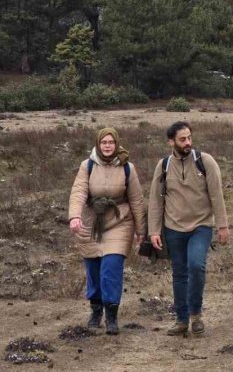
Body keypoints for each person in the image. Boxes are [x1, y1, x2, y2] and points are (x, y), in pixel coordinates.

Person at [148, 121, 230, 338]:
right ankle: (181, 320)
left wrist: (222, 225)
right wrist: (154, 231)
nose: (187, 143)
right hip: (173, 228)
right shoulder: (163, 165)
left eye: (189, 138)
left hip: (201, 226)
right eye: (182, 139)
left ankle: (196, 314)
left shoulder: (206, 162)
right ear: (171, 141)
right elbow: (155, 201)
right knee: (179, 273)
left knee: (196, 266)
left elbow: (216, 195)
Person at [68, 127, 146, 335]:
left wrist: (141, 230)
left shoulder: (127, 167)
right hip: (92, 221)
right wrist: (75, 216)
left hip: (119, 221)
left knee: (110, 268)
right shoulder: (88, 165)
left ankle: (112, 315)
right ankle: (96, 310)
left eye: (111, 142)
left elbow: (137, 200)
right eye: (104, 142)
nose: (108, 146)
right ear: (98, 144)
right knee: (93, 269)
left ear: (117, 143)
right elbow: (78, 191)